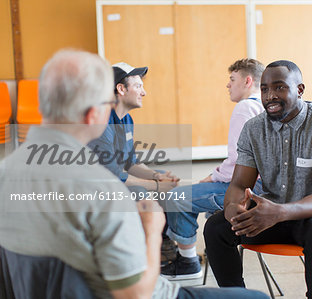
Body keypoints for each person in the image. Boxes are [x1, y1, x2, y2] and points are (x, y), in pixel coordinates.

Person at [0, 49, 269, 299]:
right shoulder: (102, 192)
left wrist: (154, 177)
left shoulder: (6, 172)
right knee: (256, 298)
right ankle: (176, 257)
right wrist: (152, 230)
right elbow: (136, 293)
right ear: (95, 114)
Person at [203, 60, 312, 299]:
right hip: (269, 214)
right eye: (264, 89)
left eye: (280, 87)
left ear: (300, 89)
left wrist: (280, 212)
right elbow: (240, 184)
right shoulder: (253, 129)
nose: (270, 95)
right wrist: (233, 211)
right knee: (217, 227)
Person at [161, 58, 265, 280]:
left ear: (248, 81)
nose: (228, 85)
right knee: (207, 204)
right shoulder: (265, 105)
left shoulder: (244, 108)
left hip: (247, 188)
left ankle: (187, 263)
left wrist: (212, 177)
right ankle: (214, 251)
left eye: (232, 79)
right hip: (265, 187)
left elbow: (240, 161)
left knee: (176, 196)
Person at [89, 62, 179, 196]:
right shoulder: (101, 122)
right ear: (121, 89)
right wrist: (156, 186)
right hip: (95, 187)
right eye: (138, 86)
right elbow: (112, 176)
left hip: (113, 179)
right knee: (140, 192)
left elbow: (130, 163)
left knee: (160, 177)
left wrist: (156, 176)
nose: (144, 93)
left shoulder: (127, 120)